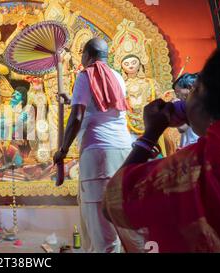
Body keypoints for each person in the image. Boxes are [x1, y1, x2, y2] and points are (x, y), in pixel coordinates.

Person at [103, 48, 220, 252]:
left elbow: (115, 201)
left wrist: (150, 134)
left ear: (206, 96)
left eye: (194, 90)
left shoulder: (194, 165)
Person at [53, 38, 145, 253]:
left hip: (98, 154)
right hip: (123, 152)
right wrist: (71, 99)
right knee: (117, 217)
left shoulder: (86, 75)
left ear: (87, 55)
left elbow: (77, 117)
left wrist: (62, 150)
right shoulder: (117, 76)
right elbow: (102, 105)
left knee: (101, 227)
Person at [173, 73, 200, 148]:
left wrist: (175, 109)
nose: (177, 96)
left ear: (189, 87)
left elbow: (182, 128)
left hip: (195, 144)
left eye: (178, 93)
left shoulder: (195, 104)